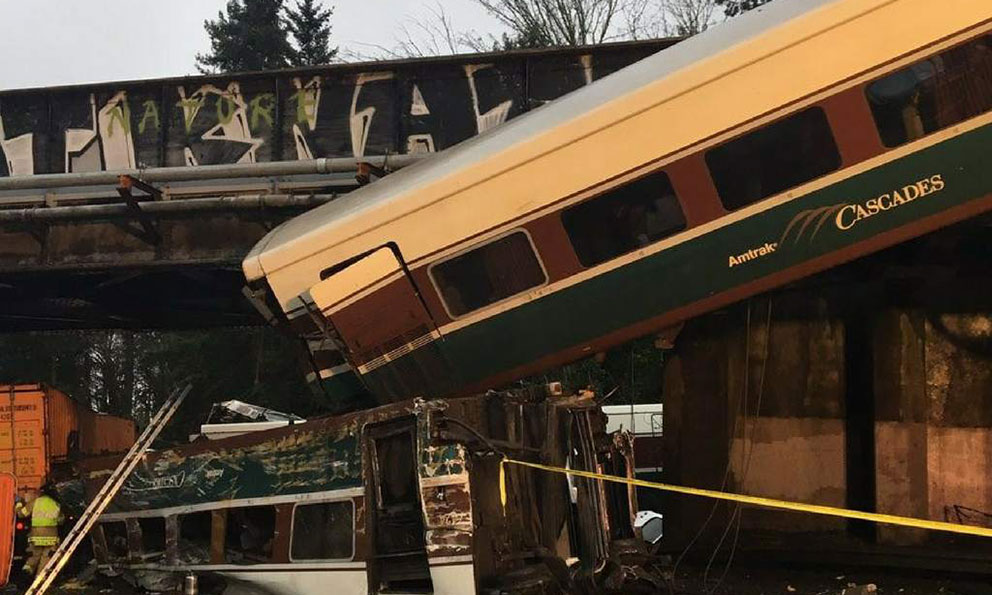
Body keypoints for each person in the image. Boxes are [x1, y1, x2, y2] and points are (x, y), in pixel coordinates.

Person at [15, 483, 63, 578]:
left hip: (36, 534)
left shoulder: (35, 502)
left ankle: (27, 568)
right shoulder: (56, 504)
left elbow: (21, 514)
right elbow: (61, 520)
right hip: (50, 536)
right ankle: (40, 576)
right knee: (46, 557)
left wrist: (19, 503)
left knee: (35, 554)